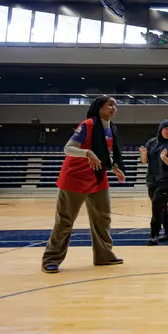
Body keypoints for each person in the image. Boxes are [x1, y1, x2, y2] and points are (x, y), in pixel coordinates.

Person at [42, 96, 125, 274]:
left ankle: (104, 256)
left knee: (103, 219)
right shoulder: (87, 125)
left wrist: (113, 168)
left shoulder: (110, 128)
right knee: (65, 221)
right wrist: (87, 152)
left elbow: (105, 154)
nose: (113, 108)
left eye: (115, 106)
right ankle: (51, 259)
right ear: (99, 108)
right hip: (74, 179)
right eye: (109, 105)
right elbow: (68, 148)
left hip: (97, 178)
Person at [139, 119, 168, 246]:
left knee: (157, 205)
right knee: (161, 206)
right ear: (160, 130)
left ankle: (154, 234)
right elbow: (144, 161)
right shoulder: (151, 142)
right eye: (165, 129)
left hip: (167, 179)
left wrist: (164, 158)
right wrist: (144, 154)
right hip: (152, 180)